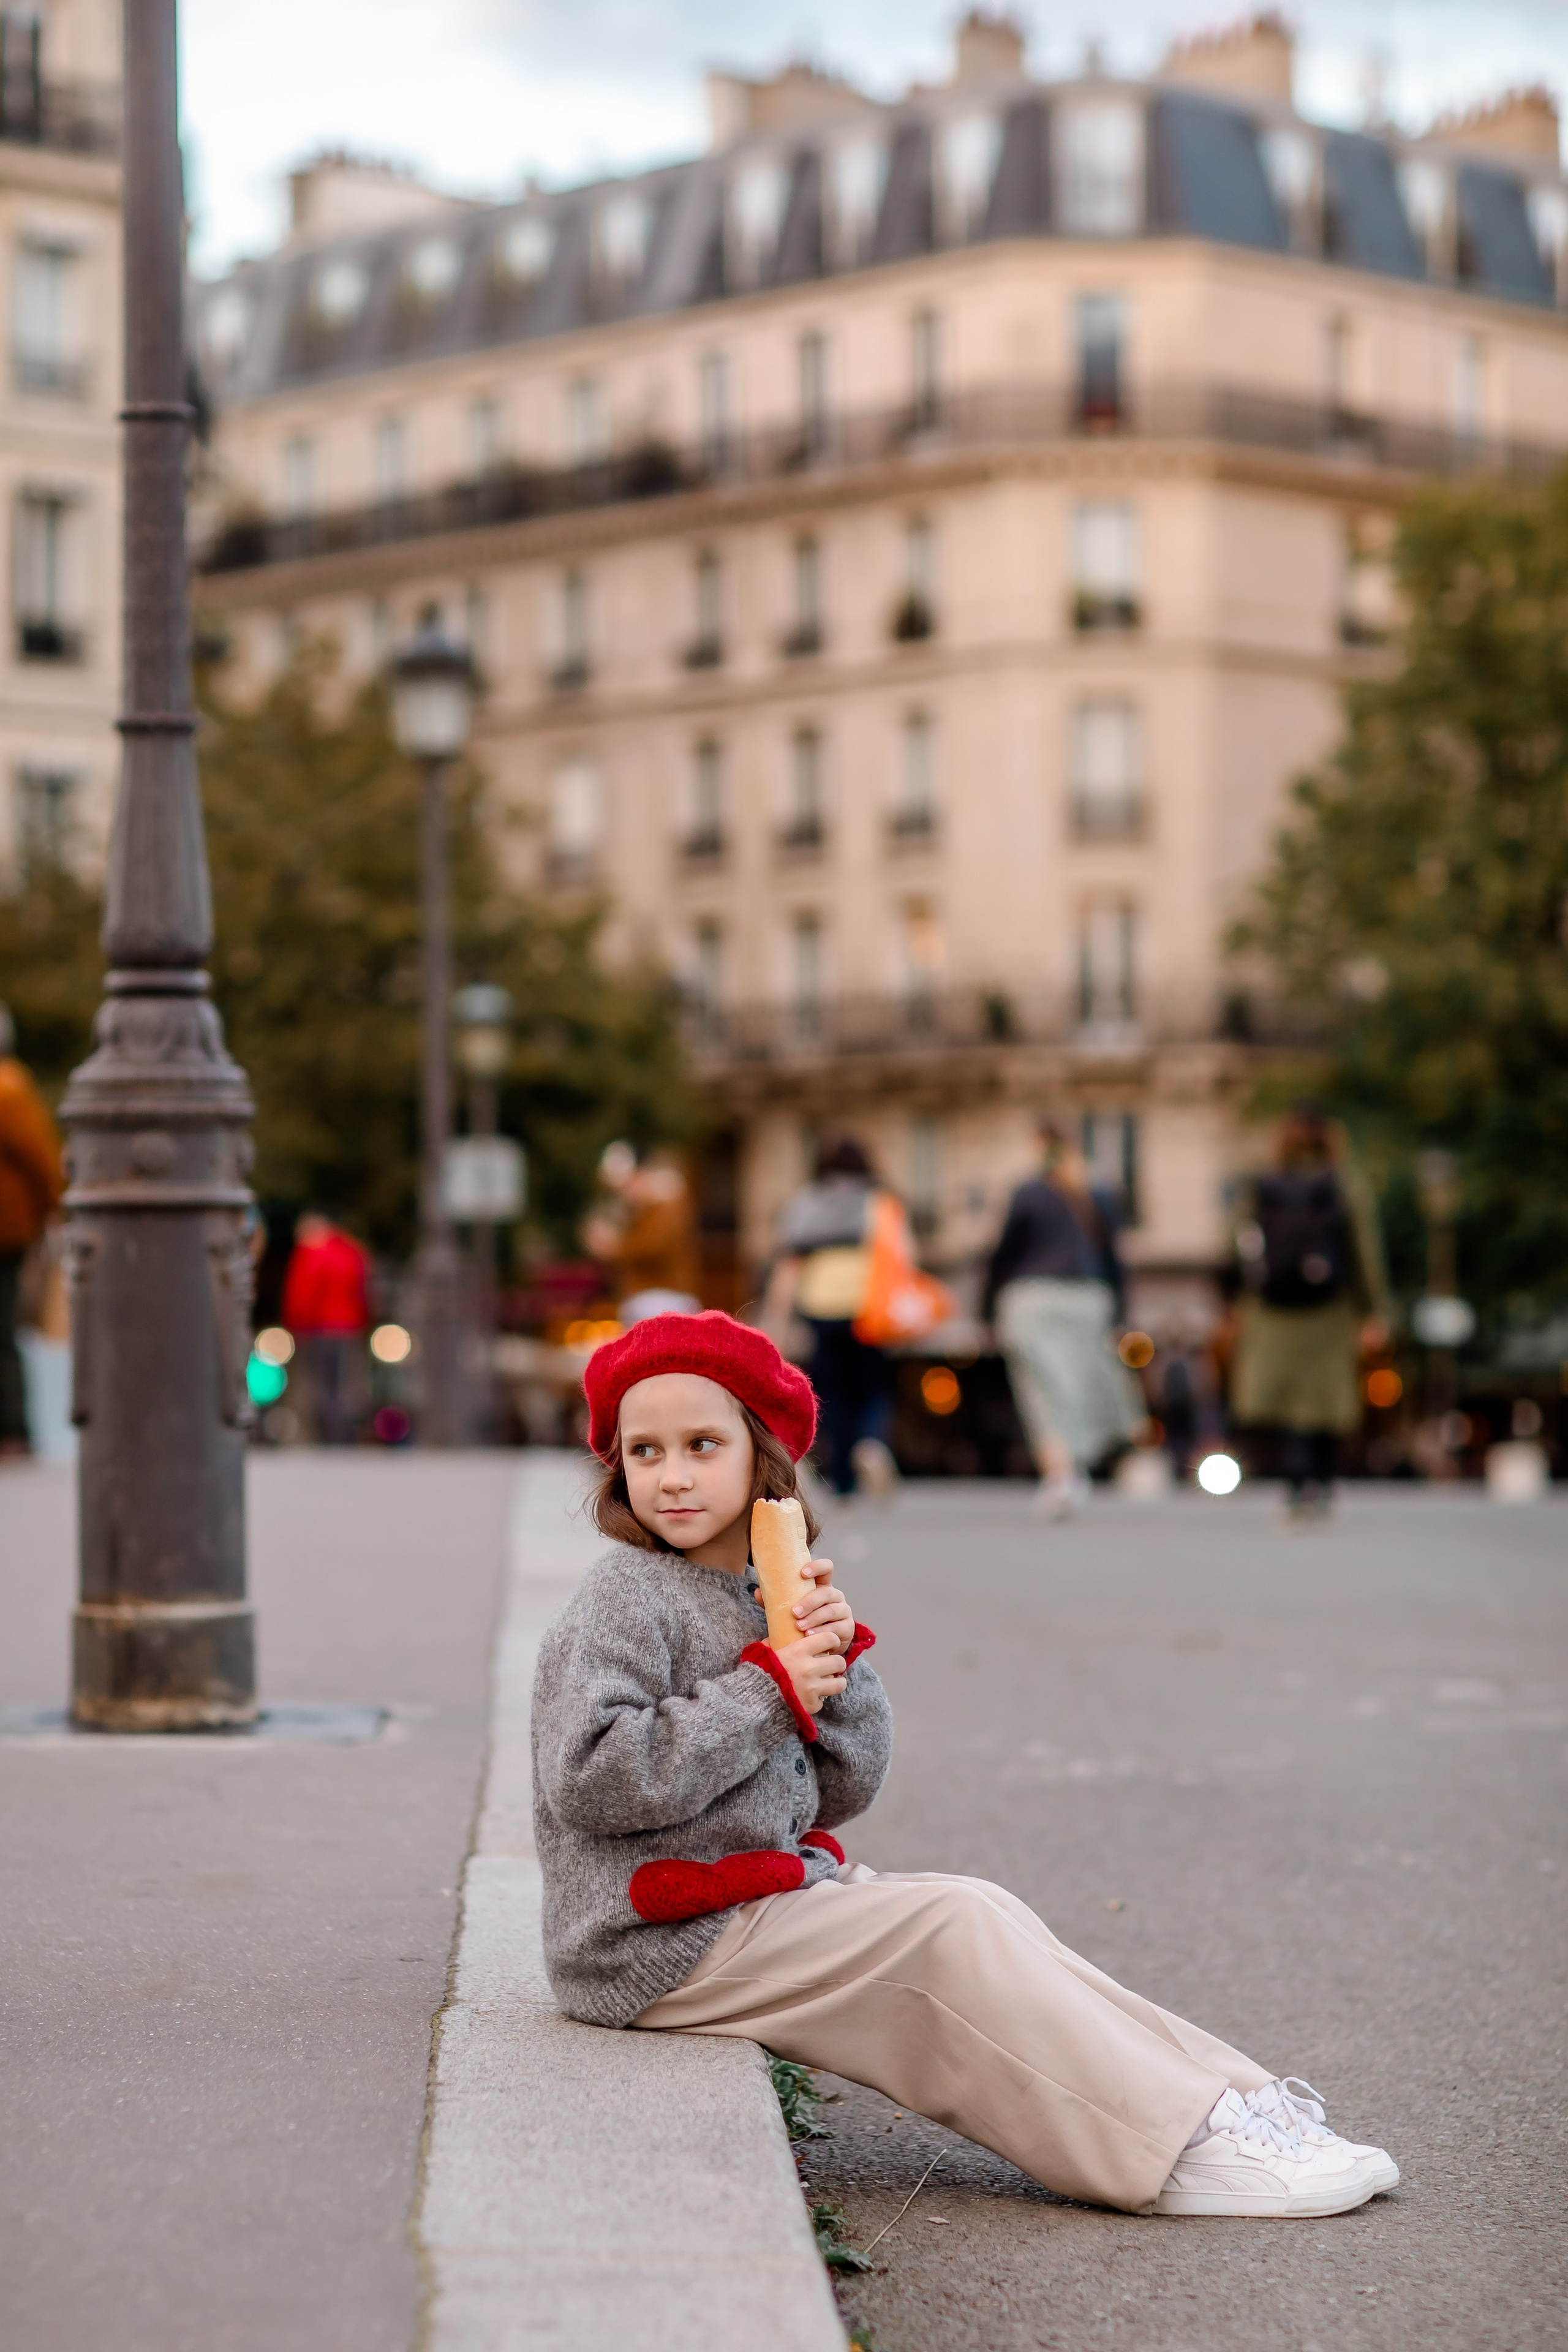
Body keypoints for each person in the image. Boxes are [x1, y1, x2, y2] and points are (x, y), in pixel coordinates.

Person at [530, 1310, 1397, 2218]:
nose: (671, 1477)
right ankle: (1167, 2152)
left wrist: (837, 1671)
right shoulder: (625, 1596)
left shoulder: (762, 1589)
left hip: (748, 1899)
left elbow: (842, 1787)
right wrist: (767, 1691)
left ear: (762, 1457)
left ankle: (1239, 2105)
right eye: (645, 1452)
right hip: (651, 1940)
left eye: (702, 1445)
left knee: (981, 1906)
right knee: (943, 1930)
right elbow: (591, 1779)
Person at [1229, 1105, 1390, 1522]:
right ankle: (1320, 1483)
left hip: (1272, 1309)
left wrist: (1240, 1299)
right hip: (1329, 1310)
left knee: (1285, 1400)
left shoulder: (1262, 1184)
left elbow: (1238, 1244)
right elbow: (1365, 1253)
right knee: (1323, 1399)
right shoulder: (1344, 1185)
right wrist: (1373, 1312)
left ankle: (1296, 1485)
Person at [982, 1120, 1142, 1517]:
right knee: (1078, 1381)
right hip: (1089, 1298)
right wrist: (1121, 1310)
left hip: (1032, 1297)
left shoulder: (1029, 1192)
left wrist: (985, 1309)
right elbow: (1113, 1259)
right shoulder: (1096, 1190)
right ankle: (1079, 1465)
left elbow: (1003, 1255)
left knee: (1042, 1387)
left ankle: (1060, 1474)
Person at [764, 1134, 897, 1498]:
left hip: (822, 1309)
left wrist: (776, 1321)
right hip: (869, 1310)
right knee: (872, 1388)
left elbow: (789, 1268)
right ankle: (871, 1444)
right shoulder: (880, 1203)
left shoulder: (808, 1204)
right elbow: (906, 1257)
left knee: (831, 1392)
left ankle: (842, 1481)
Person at [0, 1003, 64, 1460]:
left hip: (6, 1228)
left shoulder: (10, 1090)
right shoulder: (12, 1088)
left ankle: (14, 1430)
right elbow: (43, 1162)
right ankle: (14, 1431)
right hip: (8, 1229)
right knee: (5, 1330)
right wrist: (52, 1211)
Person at [582, 1142, 702, 1323]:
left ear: (640, 1173)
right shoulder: (640, 1208)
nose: (624, 1191)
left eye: (627, 1183)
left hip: (663, 1299)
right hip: (642, 1298)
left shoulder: (667, 1202)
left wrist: (612, 1249)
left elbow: (652, 1248)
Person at [280, 1212, 373, 1444]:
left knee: (320, 1384)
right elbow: (363, 1291)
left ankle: (325, 1434)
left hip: (318, 1328)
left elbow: (303, 1294)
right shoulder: (351, 1251)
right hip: (348, 1328)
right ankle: (343, 1433)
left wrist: (294, 1323)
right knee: (343, 1383)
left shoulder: (311, 1254)